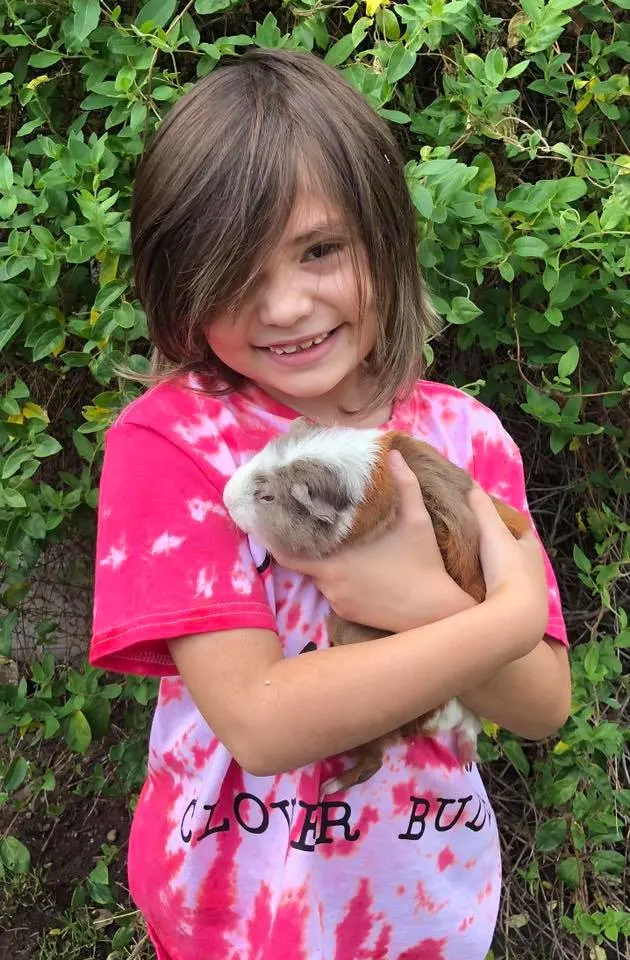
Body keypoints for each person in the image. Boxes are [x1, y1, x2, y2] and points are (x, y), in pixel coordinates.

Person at [90, 47, 571, 960]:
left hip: (426, 907)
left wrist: (425, 604)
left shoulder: (468, 439)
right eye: (236, 269)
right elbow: (261, 719)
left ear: (385, 236)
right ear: (178, 283)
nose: (284, 306)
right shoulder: (171, 445)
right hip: (226, 917)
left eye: (320, 249)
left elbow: (544, 705)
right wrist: (500, 614)